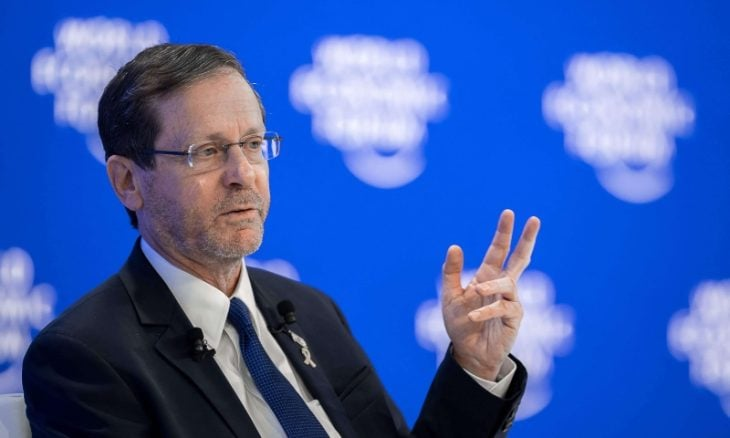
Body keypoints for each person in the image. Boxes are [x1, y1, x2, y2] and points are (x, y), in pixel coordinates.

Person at [22, 43, 541, 437]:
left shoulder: (313, 313)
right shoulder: (85, 360)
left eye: (252, 144)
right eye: (206, 152)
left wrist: (474, 365)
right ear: (127, 182)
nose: (242, 174)